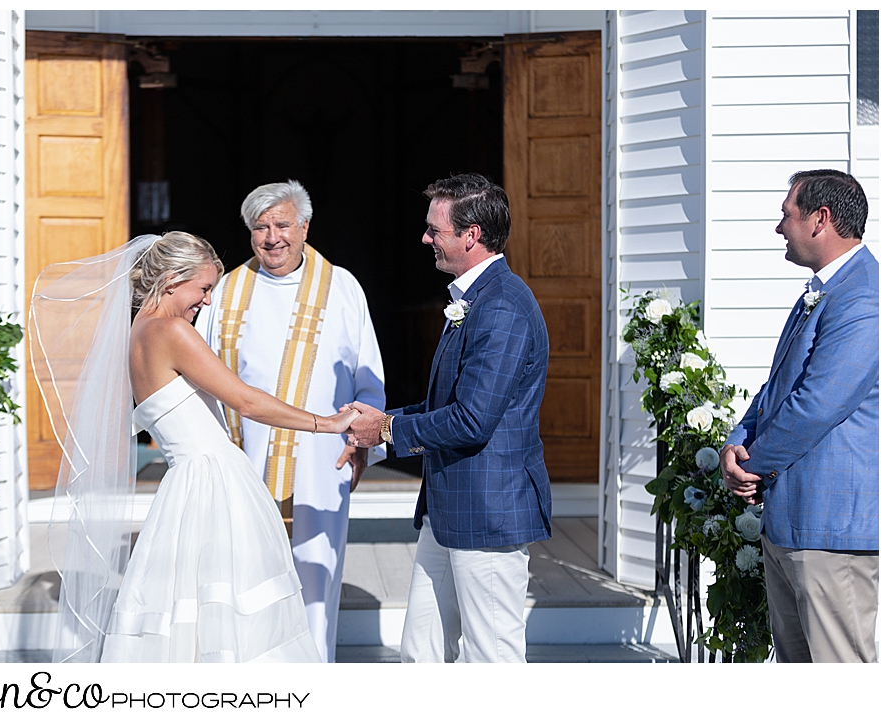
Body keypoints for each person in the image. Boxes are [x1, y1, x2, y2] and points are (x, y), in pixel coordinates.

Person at [32, 232, 358, 663]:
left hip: (185, 487)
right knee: (238, 610)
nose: (206, 301)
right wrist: (327, 423)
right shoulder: (171, 331)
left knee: (188, 610)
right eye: (203, 288)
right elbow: (245, 400)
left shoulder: (137, 334)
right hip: (215, 485)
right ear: (171, 280)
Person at [347, 173, 551, 663]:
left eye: (434, 230)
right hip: (448, 510)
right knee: (421, 651)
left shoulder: (502, 306)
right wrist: (373, 432)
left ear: (471, 235)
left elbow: (471, 421)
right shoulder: (474, 300)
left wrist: (389, 430)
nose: (425, 238)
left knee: (492, 659)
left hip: (488, 511)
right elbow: (445, 406)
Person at [195, 180, 385, 662]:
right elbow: (200, 376)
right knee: (246, 578)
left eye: (282, 224)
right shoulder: (226, 292)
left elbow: (368, 375)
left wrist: (363, 443)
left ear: (305, 227)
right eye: (260, 227)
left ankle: (314, 676)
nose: (271, 237)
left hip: (321, 464)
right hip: (242, 460)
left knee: (316, 573)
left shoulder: (342, 287)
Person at [721, 169, 878, 663]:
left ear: (820, 220)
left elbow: (818, 403)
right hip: (791, 523)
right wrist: (735, 441)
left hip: (833, 529)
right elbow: (777, 386)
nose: (778, 227)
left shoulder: (865, 296)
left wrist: (753, 464)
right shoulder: (821, 290)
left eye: (786, 214)